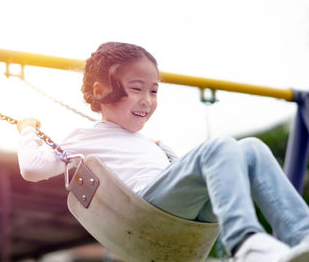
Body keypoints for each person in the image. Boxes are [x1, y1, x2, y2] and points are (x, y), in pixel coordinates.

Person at [17, 42, 309, 262]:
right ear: (101, 90)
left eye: (154, 91)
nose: (147, 100)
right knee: (220, 145)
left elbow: (206, 174)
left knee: (251, 148)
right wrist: (28, 130)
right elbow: (33, 168)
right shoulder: (85, 137)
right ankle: (247, 243)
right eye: (136, 88)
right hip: (144, 211)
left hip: (185, 215)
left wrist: (165, 151)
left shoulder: (147, 142)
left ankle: (302, 235)